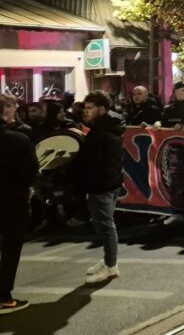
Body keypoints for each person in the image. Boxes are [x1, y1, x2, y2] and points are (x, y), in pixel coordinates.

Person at [71, 91, 124, 284]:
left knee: (106, 226)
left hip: (101, 184)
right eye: (84, 108)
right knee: (104, 225)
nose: (85, 111)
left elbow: (94, 162)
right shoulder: (107, 126)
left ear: (101, 110)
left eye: (89, 108)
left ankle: (111, 266)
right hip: (108, 182)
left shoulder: (102, 132)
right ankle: (108, 259)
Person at [0, 95, 39, 314]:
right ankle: (4, 296)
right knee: (10, 248)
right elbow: (31, 172)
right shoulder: (18, 139)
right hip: (14, 200)